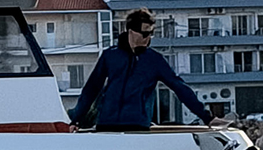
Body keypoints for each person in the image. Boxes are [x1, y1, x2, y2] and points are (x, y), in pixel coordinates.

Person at [70, 8, 216, 130]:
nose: (148, 38)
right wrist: (75, 120)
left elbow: (180, 87)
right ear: (131, 32)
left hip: (137, 127)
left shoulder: (154, 60)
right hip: (106, 125)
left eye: (151, 33)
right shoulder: (110, 56)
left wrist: (207, 118)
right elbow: (91, 89)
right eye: (145, 33)